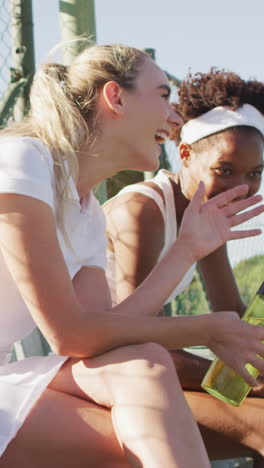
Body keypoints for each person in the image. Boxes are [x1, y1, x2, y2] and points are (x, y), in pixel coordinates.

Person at [0, 46, 263, 468]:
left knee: (146, 364)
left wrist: (186, 250)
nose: (174, 117)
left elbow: (106, 337)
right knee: (142, 434)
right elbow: (70, 334)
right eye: (162, 96)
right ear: (116, 98)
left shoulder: (87, 216)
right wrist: (209, 328)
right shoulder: (25, 160)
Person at [103, 68, 264, 466]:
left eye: (256, 174)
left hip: (133, 370)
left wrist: (253, 359)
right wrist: (249, 376)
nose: (241, 187)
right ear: (186, 154)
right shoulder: (142, 211)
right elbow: (133, 344)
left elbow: (235, 315)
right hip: (97, 372)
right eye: (225, 170)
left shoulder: (205, 214)